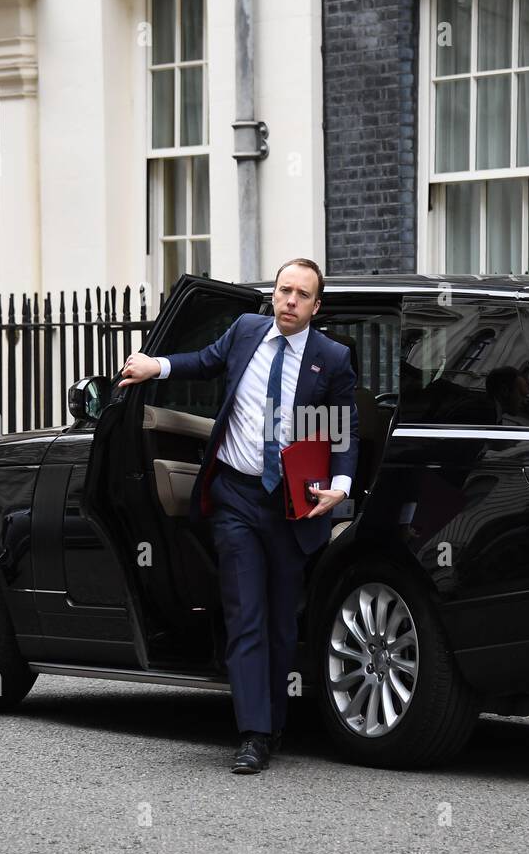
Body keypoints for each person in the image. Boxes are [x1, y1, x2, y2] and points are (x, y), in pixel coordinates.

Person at [118, 258, 359, 774]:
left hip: (293, 506)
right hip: (236, 497)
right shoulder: (247, 331)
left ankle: (273, 725)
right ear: (273, 294)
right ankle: (252, 734)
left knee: (277, 622)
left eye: (301, 295)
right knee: (245, 614)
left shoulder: (330, 358)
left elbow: (343, 431)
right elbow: (203, 361)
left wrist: (340, 486)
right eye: (283, 290)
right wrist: (154, 366)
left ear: (317, 306)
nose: (289, 301)